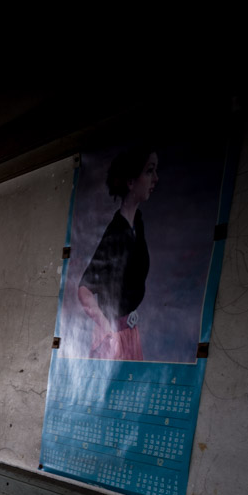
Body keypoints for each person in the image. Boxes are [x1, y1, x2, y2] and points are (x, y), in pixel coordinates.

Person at [76, 145, 158, 360]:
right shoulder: (116, 233)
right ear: (131, 182)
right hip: (114, 337)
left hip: (130, 332)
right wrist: (105, 326)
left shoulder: (137, 222)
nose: (155, 179)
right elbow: (84, 289)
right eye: (149, 171)